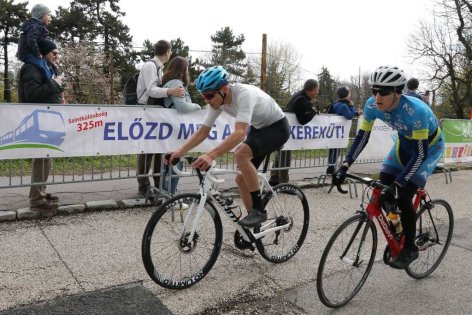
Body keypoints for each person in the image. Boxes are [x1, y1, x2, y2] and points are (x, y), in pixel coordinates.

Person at [332, 65, 445, 269]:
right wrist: (345, 166)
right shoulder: (371, 105)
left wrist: (400, 183)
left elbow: (420, 154)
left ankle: (410, 248)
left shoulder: (416, 110)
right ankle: (398, 226)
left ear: (398, 93)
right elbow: (362, 137)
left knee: (402, 194)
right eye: (374, 91)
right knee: (383, 187)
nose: (377, 96)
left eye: (383, 92)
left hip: (429, 148)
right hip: (404, 144)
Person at [167, 66, 290, 227]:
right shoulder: (218, 102)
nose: (206, 100)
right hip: (259, 128)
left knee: (240, 153)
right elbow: (203, 131)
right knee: (241, 178)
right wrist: (179, 151)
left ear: (224, 89)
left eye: (209, 95)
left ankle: (259, 211)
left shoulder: (244, 94)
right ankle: (253, 226)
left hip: (277, 128)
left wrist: (210, 155)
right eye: (203, 95)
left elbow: (240, 133)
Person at [18, 38, 64, 213]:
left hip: (46, 118)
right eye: (54, 53)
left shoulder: (44, 68)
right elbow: (32, 94)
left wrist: (59, 89)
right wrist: (54, 85)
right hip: (38, 118)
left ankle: (40, 192)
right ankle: (36, 199)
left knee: (45, 158)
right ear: (45, 52)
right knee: (41, 158)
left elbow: (48, 91)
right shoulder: (32, 68)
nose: (56, 56)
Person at [135, 40, 184, 198]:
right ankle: (144, 186)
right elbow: (151, 91)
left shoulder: (158, 68)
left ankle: (157, 184)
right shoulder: (151, 66)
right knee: (146, 150)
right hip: (148, 110)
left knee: (156, 149)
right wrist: (171, 91)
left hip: (154, 111)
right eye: (170, 51)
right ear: (167, 52)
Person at [160, 56, 201, 196]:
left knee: (167, 162)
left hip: (168, 128)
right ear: (184, 69)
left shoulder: (166, 82)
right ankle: (170, 196)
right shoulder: (176, 83)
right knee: (176, 162)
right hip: (175, 129)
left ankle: (166, 193)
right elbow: (182, 106)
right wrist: (197, 106)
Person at [269, 79, 319, 186]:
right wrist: (313, 112)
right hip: (286, 129)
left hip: (283, 127)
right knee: (285, 155)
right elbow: (303, 120)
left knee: (281, 152)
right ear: (313, 90)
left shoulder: (300, 96)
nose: (317, 93)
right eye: (317, 90)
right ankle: (283, 183)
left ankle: (274, 177)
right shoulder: (302, 99)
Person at [326, 86, 362, 174]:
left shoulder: (336, 103)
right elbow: (349, 116)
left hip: (333, 131)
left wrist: (356, 113)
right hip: (337, 132)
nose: (350, 94)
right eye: (349, 92)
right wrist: (352, 106)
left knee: (333, 150)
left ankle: (331, 167)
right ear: (346, 94)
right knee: (335, 150)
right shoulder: (343, 106)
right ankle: (331, 169)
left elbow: (348, 114)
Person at [17, 3, 53, 80]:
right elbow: (31, 39)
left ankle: (51, 78)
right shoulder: (35, 26)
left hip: (28, 53)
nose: (50, 18)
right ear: (41, 15)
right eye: (48, 15)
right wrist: (37, 53)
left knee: (44, 63)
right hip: (27, 53)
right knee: (41, 64)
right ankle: (50, 80)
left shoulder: (36, 26)